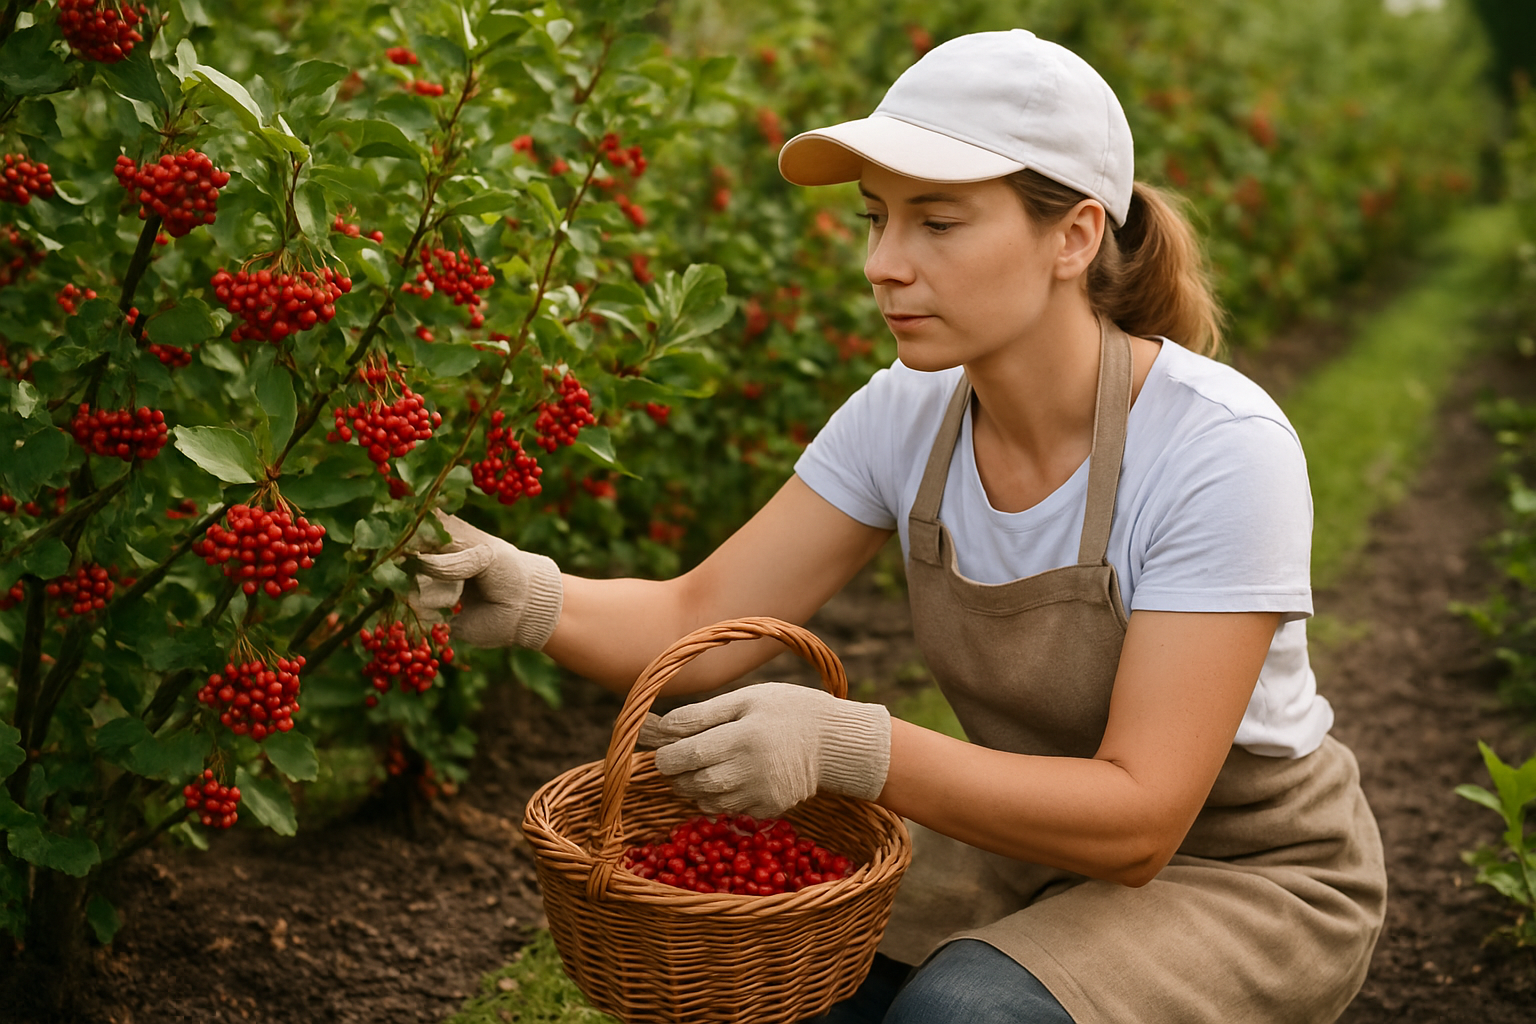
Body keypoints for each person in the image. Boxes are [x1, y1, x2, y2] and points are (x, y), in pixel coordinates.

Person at [412, 29, 1387, 1024]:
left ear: (1075, 236)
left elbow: (1141, 817)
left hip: (1241, 870)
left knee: (962, 1014)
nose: (884, 265)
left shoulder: (1217, 447)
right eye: (877, 218)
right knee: (764, 972)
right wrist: (528, 592)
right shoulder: (906, 415)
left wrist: (856, 747)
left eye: (938, 223)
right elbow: (699, 619)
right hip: (1024, 847)